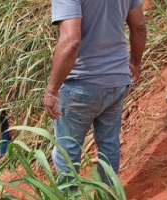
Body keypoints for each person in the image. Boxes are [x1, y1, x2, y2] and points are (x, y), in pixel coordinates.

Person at [43, 0, 147, 190]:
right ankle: (109, 194)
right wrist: (135, 62)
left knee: (68, 150)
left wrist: (51, 90)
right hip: (117, 80)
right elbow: (139, 27)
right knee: (109, 144)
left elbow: (71, 41)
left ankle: (68, 195)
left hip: (81, 83)